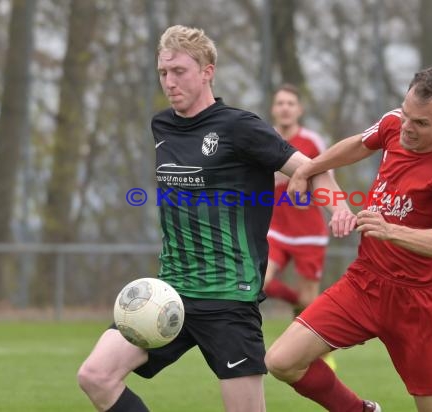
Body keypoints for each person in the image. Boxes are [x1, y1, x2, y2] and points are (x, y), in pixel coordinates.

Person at [76, 25, 341, 412]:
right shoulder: (161, 126)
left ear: (207, 71)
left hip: (228, 298)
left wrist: (341, 207)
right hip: (169, 296)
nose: (170, 82)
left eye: (179, 71)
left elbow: (311, 168)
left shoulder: (240, 127)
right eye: (163, 73)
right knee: (96, 376)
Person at [265, 67, 432, 412]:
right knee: (281, 360)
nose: (407, 127)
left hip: (419, 302)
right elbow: (358, 144)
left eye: (421, 123)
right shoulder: (398, 122)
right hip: (365, 283)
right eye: (406, 114)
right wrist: (308, 168)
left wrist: (389, 230)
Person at [264, 84, 328, 313]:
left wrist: (301, 181)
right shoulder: (263, 138)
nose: (285, 108)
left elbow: (328, 179)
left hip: (308, 233)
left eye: (290, 104)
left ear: (299, 109)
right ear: (273, 109)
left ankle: (316, 345)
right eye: (280, 103)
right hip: (275, 230)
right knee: (260, 281)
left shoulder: (312, 142)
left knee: (308, 302)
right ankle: (296, 301)